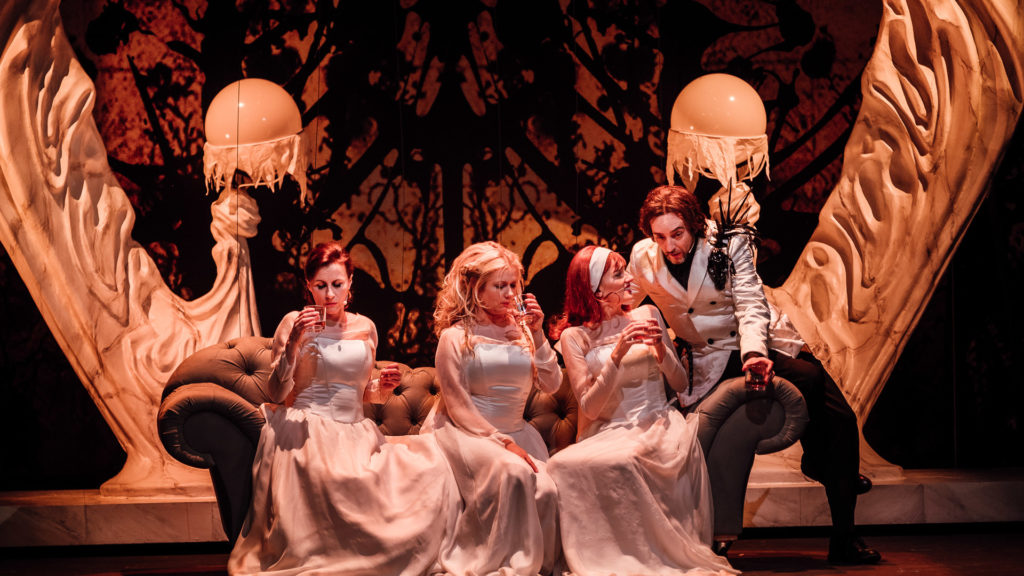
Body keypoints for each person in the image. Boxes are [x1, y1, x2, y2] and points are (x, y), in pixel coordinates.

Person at [627, 185, 881, 565]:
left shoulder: (729, 242)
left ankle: (843, 533)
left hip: (754, 340)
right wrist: (575, 322)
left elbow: (749, 304)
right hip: (710, 357)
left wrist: (755, 354)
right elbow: (620, 298)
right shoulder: (643, 257)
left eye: (676, 234)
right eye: (659, 236)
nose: (669, 246)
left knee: (839, 416)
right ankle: (825, 466)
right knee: (810, 381)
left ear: (693, 224)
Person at [228, 241, 456, 576]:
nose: (330, 294)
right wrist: (294, 341)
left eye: (337, 284)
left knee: (428, 467)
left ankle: (394, 554)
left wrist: (383, 387)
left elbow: (362, 393)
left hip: (356, 430)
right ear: (308, 286)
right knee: (334, 478)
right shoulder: (293, 321)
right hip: (308, 426)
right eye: (320, 286)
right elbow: (276, 392)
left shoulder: (366, 327)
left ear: (350, 283)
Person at [546, 246, 738, 576]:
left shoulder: (647, 314)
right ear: (595, 289)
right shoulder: (575, 337)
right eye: (618, 274)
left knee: (626, 458)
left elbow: (680, 383)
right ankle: (601, 556)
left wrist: (661, 348)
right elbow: (589, 406)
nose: (629, 279)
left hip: (656, 421)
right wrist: (617, 355)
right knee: (560, 465)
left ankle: (642, 555)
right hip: (607, 428)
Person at [426, 241, 562, 576]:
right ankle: (501, 562)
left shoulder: (523, 330)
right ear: (475, 288)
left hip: (518, 431)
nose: (510, 293)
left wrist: (538, 334)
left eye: (514, 284)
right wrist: (501, 442)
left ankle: (537, 565)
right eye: (500, 286)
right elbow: (457, 404)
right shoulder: (455, 336)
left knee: (546, 489)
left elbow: (552, 384)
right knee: (513, 474)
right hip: (467, 432)